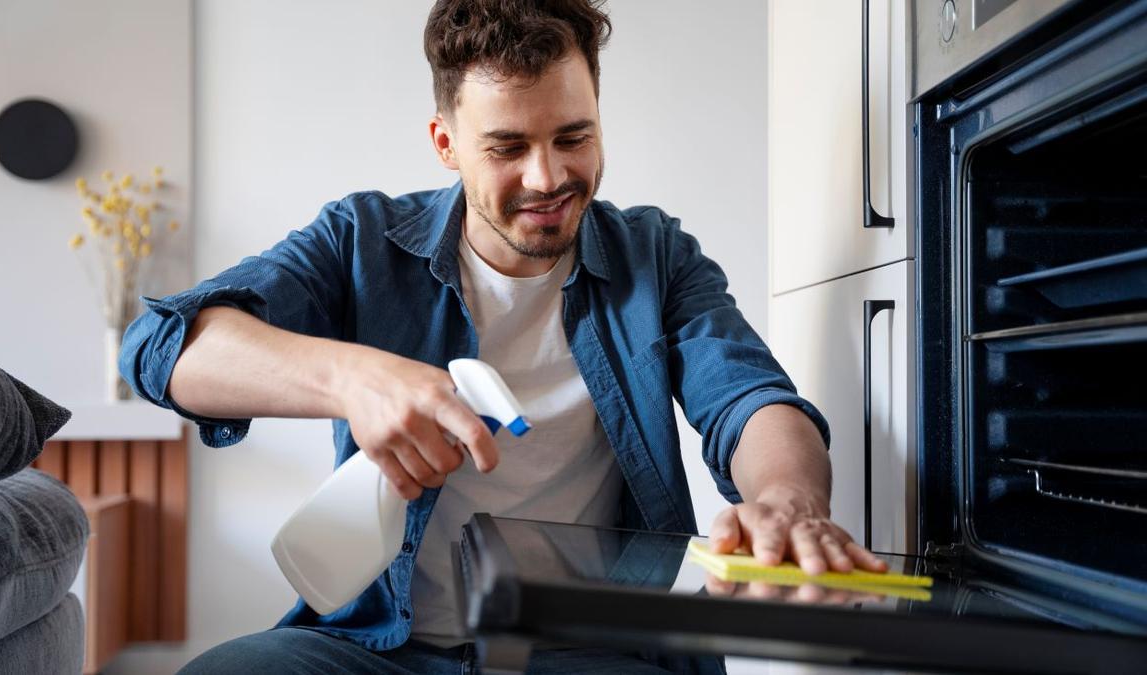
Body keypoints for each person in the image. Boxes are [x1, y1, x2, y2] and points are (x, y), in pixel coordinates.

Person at [121, 1, 886, 672]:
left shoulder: (655, 256)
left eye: (573, 136)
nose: (548, 176)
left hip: (591, 650)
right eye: (507, 147)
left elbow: (748, 397)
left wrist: (789, 500)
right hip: (381, 648)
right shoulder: (360, 241)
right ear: (445, 142)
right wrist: (350, 379)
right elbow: (159, 346)